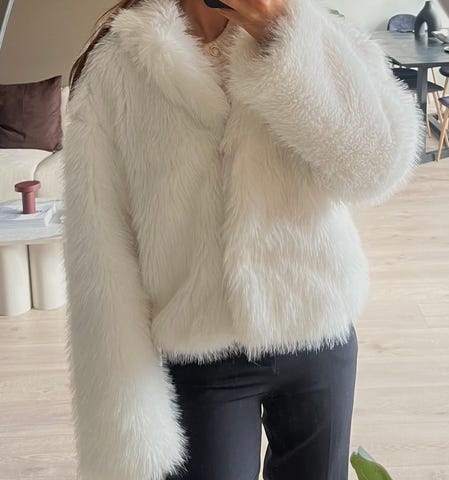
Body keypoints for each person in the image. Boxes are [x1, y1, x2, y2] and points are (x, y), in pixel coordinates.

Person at [62, 0, 422, 479]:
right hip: (201, 350)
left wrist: (282, 35)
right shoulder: (119, 65)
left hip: (317, 328)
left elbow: (376, 169)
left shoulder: (312, 30)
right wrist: (123, 411)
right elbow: (100, 253)